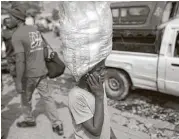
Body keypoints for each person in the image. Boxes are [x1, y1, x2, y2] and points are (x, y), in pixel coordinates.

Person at [8, 6, 63, 135]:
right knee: (48, 98)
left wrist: (18, 82)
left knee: (25, 99)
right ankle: (57, 124)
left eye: (11, 17)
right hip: (42, 72)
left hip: (28, 75)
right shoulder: (35, 30)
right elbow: (44, 50)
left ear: (17, 19)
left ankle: (29, 120)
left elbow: (20, 61)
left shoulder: (17, 35)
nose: (9, 20)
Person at [68, 60, 112, 139]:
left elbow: (104, 115)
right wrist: (99, 96)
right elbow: (96, 131)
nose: (103, 73)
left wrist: (111, 135)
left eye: (104, 68)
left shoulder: (99, 85)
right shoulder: (76, 96)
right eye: (99, 70)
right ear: (85, 74)